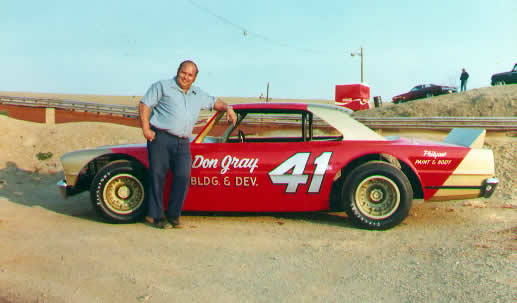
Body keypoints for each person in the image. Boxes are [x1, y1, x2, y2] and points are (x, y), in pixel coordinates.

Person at [139, 60, 237, 229]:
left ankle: (173, 215)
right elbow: (144, 105)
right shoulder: (162, 86)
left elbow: (215, 103)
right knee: (157, 176)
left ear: (194, 78)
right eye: (183, 73)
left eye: (190, 75)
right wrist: (146, 128)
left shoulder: (197, 94)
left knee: (183, 177)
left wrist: (228, 108)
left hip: (183, 142)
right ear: (178, 71)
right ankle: (156, 216)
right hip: (161, 137)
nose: (185, 77)